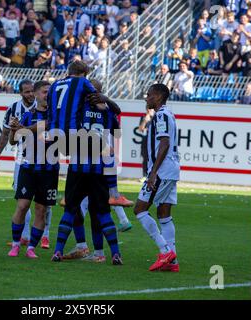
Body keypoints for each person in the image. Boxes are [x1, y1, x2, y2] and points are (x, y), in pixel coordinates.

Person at [47, 60, 123, 265]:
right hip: (99, 168)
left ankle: (57, 250)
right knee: (102, 213)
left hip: (78, 166)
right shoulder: (106, 113)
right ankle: (114, 253)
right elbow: (116, 124)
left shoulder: (77, 109)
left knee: (70, 209)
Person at [7, 81, 57, 258]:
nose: (47, 95)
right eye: (44, 92)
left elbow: (46, 125)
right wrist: (14, 129)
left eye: (49, 92)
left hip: (49, 169)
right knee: (22, 206)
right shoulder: (27, 115)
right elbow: (13, 141)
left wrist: (24, 129)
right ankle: (15, 244)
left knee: (41, 210)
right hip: (28, 167)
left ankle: (31, 248)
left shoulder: (56, 115)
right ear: (36, 94)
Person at [133, 83, 179, 272]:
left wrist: (152, 173)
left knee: (140, 209)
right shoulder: (169, 114)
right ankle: (172, 263)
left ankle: (165, 251)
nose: (147, 98)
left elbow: (165, 143)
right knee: (164, 214)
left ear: (159, 96)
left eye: (149, 95)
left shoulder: (160, 115)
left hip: (161, 171)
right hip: (171, 170)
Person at [0, 80, 40, 247]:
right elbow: (5, 135)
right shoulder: (13, 109)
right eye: (27, 92)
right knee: (22, 199)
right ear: (20, 93)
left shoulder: (43, 107)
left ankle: (45, 236)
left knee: (43, 203)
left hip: (44, 159)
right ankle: (25, 235)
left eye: (32, 91)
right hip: (22, 159)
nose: (30, 94)